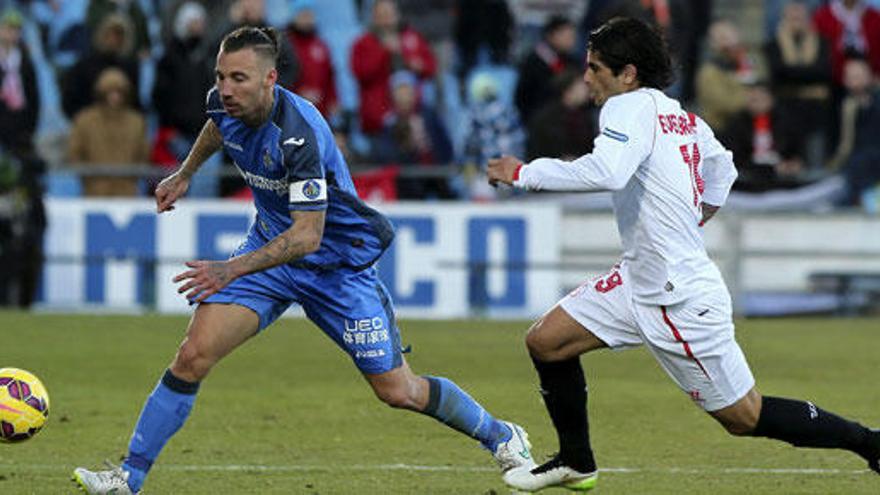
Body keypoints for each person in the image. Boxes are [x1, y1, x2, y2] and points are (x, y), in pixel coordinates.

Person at [72, 26, 534, 495]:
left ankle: (501, 435)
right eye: (221, 76)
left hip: (336, 267)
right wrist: (186, 172)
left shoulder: (299, 135)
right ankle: (129, 477)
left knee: (398, 391)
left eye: (239, 78)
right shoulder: (222, 102)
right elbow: (217, 126)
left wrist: (229, 268)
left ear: (270, 78)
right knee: (192, 356)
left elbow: (308, 237)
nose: (226, 89)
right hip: (271, 255)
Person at [487, 17, 879, 493]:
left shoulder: (624, 108)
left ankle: (870, 442)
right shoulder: (680, 116)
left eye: (594, 68)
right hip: (640, 280)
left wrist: (524, 172)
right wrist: (695, 217)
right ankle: (576, 460)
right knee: (546, 342)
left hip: (677, 298)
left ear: (627, 73)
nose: (586, 78)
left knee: (743, 415)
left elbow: (608, 171)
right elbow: (724, 168)